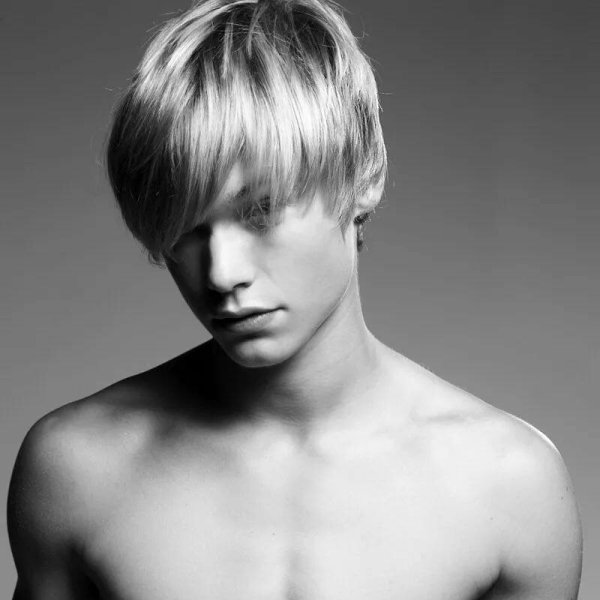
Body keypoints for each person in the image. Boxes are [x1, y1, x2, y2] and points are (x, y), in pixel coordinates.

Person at [7, 0, 583, 598]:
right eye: (184, 228)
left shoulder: (510, 485)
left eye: (260, 212)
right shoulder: (76, 469)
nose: (222, 273)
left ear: (363, 177)